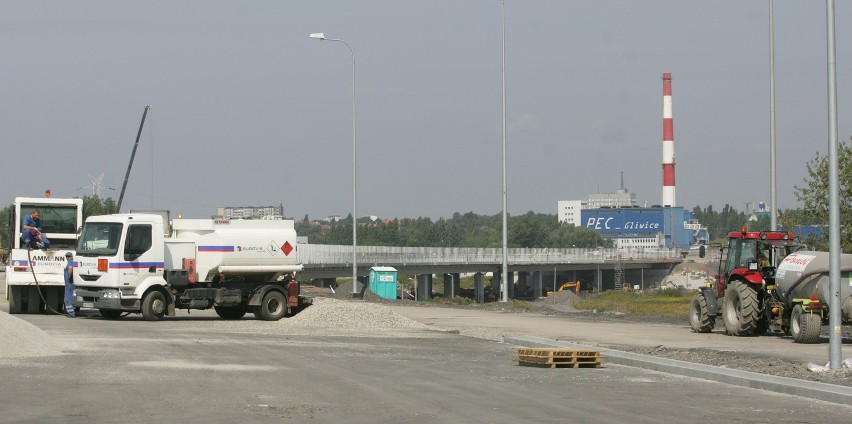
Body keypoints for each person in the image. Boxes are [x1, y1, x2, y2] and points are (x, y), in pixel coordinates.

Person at [64, 251, 75, 317]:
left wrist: (69, 276)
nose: (67, 257)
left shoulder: (71, 262)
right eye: (66, 256)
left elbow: (70, 268)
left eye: (68, 256)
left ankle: (71, 313)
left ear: (71, 256)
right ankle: (70, 313)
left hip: (69, 283)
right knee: (68, 298)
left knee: (68, 299)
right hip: (68, 283)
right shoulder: (70, 262)